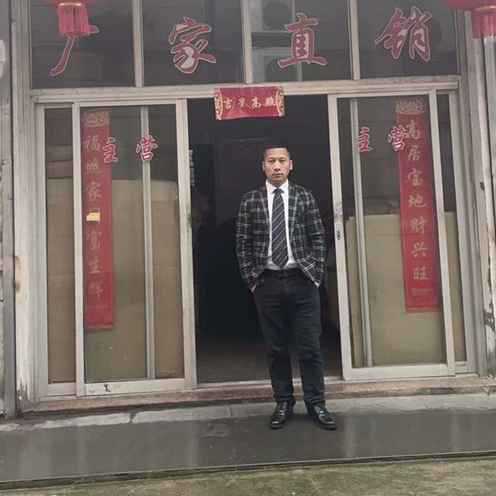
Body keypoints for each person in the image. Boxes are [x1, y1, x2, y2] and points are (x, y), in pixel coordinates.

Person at [235, 144, 336, 431]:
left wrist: (314, 274)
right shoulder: (251, 200)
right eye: (271, 161)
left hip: (302, 280)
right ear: (263, 166)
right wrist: (252, 280)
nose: (277, 166)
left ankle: (316, 403)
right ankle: (283, 402)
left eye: (282, 161)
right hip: (267, 282)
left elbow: (318, 237)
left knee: (309, 347)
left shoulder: (304, 196)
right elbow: (242, 243)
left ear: (291, 164)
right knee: (276, 348)